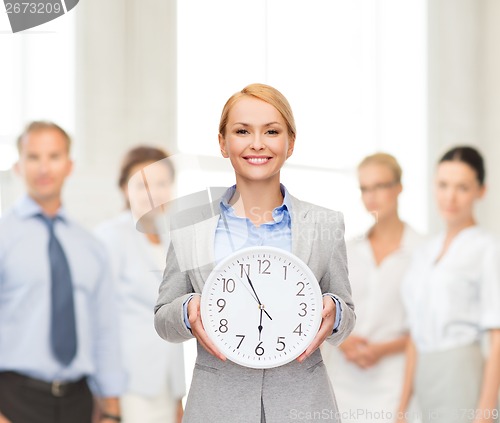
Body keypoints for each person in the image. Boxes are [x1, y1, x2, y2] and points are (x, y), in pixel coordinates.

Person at [154, 83, 356, 423]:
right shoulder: (190, 226)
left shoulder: (325, 224)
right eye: (242, 131)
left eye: (272, 131)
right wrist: (186, 310)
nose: (257, 143)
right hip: (216, 408)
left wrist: (334, 311)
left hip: (303, 406)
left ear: (290, 143)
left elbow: (347, 312)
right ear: (222, 143)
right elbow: (163, 319)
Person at [0, 121, 125, 423]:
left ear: (69, 165)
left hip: (79, 403)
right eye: (33, 157)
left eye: (54, 156)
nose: (44, 168)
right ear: (18, 165)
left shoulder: (90, 246)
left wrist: (112, 410)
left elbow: (104, 329)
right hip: (14, 399)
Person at [397, 146, 500, 423]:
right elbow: (414, 335)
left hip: (462, 372)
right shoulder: (424, 253)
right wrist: (401, 408)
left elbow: (497, 335)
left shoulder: (487, 249)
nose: (450, 197)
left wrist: (485, 414)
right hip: (424, 376)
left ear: (481, 191)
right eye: (443, 185)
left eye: (462, 187)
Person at [322, 153, 422, 423]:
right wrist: (343, 342)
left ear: (399, 187)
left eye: (380, 186)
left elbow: (423, 329)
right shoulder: (348, 249)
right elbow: (328, 312)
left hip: (393, 382)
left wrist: (382, 349)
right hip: (343, 379)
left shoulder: (422, 251)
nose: (372, 196)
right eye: (365, 188)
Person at [95, 146, 186, 423]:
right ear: (125, 188)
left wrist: (177, 394)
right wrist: (109, 398)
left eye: (162, 184)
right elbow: (100, 320)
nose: (154, 193)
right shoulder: (110, 238)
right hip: (128, 384)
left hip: (167, 384)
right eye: (143, 184)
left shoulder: (171, 239)